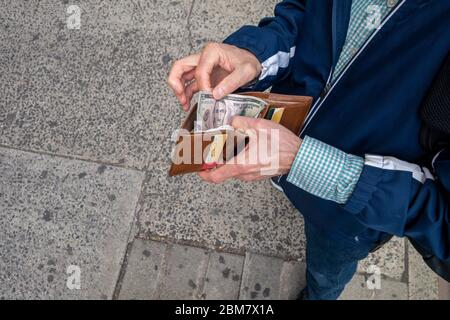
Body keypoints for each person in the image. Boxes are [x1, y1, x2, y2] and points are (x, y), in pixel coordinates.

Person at [168, 0, 450, 300]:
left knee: (326, 272)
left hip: (347, 216)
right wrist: (254, 54)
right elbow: (304, 13)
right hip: (288, 137)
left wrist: (308, 162)